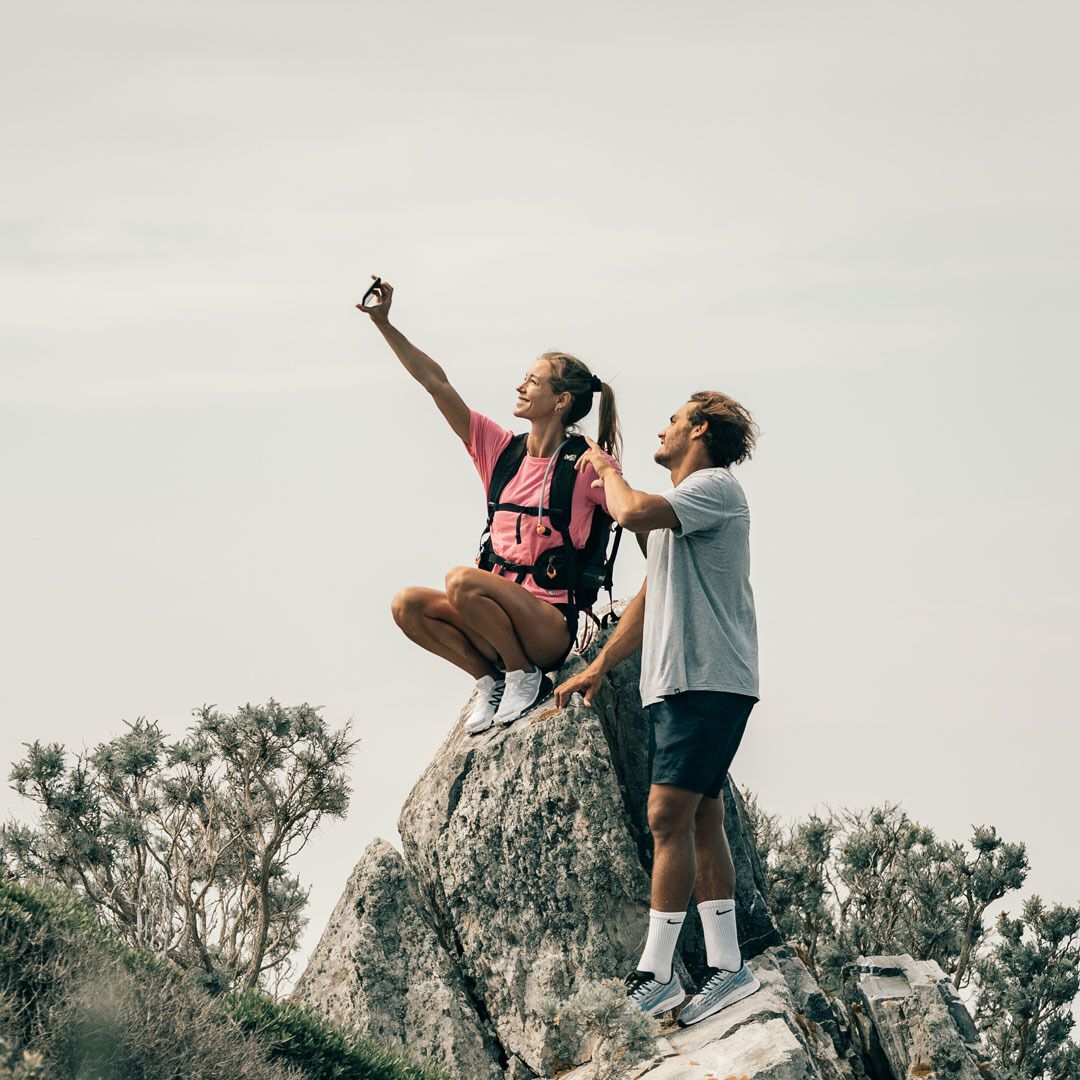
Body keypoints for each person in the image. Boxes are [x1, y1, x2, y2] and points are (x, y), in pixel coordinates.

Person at [553, 391, 760, 1027]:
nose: (663, 426)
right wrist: (599, 666)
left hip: (707, 680)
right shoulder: (680, 514)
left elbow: (631, 507)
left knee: (666, 814)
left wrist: (607, 471)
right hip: (683, 683)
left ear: (699, 429)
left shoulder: (714, 487)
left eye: (674, 419)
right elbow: (649, 595)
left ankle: (657, 973)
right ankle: (728, 968)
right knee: (700, 816)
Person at [356, 277, 622, 734]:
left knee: (461, 581)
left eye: (532, 382)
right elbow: (435, 383)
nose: (520, 386)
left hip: (547, 628)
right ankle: (490, 680)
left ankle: (525, 675)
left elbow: (633, 515)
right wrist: (385, 325)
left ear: (560, 401)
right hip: (490, 619)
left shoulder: (585, 465)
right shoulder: (500, 452)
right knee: (408, 606)